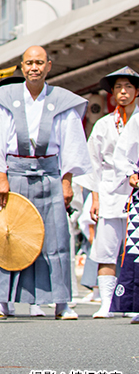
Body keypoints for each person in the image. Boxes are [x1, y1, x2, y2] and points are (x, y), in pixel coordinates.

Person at [0, 46, 91, 320]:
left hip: (50, 173)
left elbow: (71, 145)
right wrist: (0, 176)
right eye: (29, 63)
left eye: (39, 63)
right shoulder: (6, 99)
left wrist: (67, 181)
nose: (34, 67)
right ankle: (2, 301)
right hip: (15, 172)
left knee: (57, 238)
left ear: (49, 66)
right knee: (7, 236)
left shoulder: (63, 101)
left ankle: (61, 301)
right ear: (22, 67)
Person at [83, 67, 139, 319]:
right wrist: (94, 198)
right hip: (109, 190)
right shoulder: (104, 124)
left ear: (137, 92)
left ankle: (131, 302)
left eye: (128, 87)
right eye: (118, 88)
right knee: (106, 249)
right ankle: (106, 303)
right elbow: (92, 163)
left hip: (135, 190)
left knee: (135, 250)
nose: (123, 92)